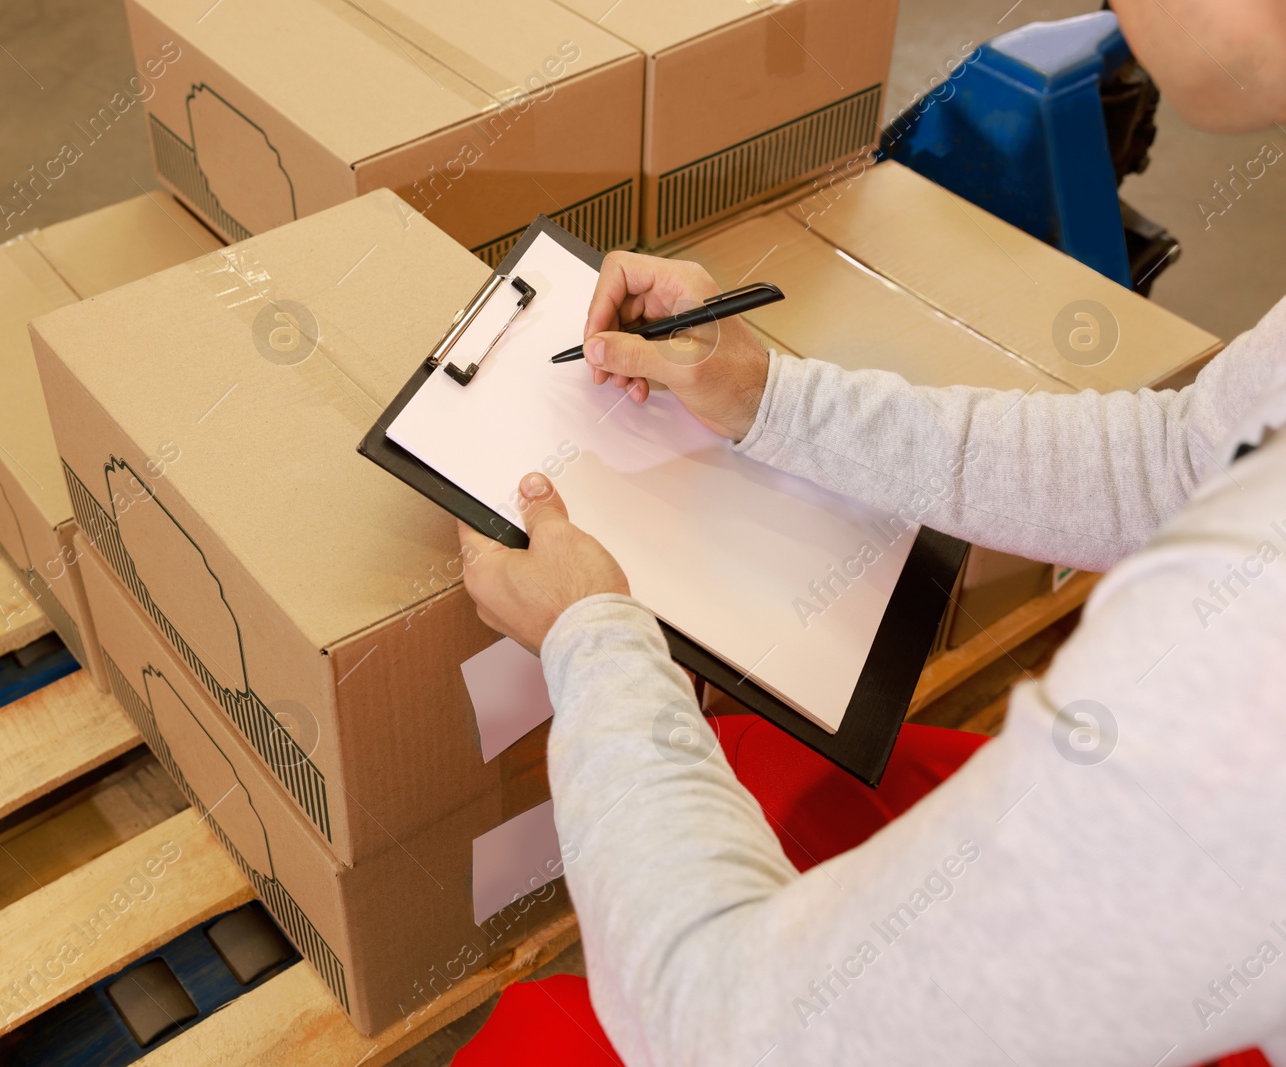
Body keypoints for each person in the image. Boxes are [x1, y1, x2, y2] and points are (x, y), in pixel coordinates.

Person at [452, 2, 1286, 1064]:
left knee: (534, 1039)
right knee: (759, 749)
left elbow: (729, 1032)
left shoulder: (1245, 664)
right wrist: (766, 398)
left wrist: (592, 641)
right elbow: (1172, 462)